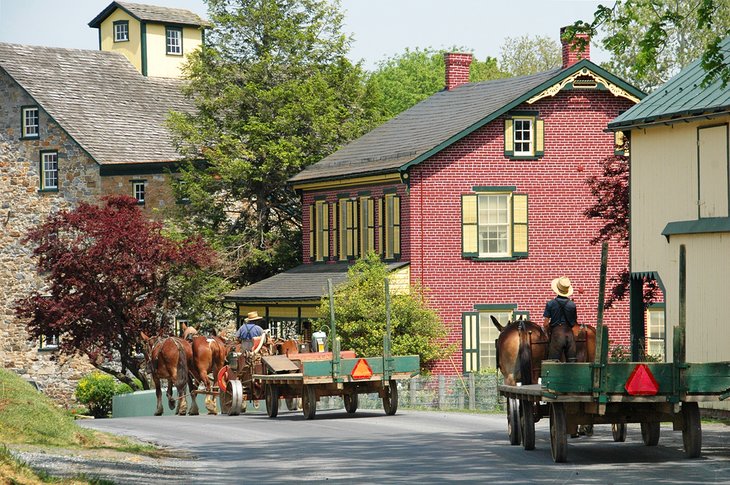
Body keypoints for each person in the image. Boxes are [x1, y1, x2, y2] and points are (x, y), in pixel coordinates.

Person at [543, 276, 578, 362]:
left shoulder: (550, 304)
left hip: (557, 335)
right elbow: (574, 323)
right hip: (569, 334)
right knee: (572, 362)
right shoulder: (572, 305)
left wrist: (548, 332)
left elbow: (546, 324)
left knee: (553, 363)